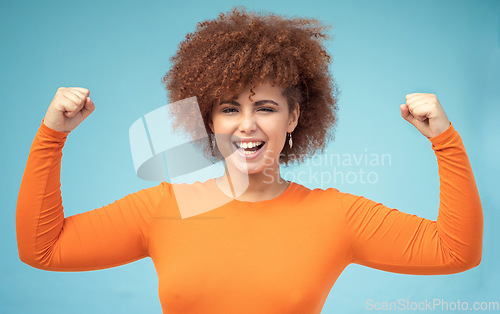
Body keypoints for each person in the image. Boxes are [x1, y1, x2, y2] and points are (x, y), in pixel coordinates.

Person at [16, 7, 483, 314]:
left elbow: (455, 252)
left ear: (294, 118)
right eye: (228, 109)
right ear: (208, 121)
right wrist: (52, 135)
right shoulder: (165, 207)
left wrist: (445, 141)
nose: (246, 126)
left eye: (265, 108)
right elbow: (44, 250)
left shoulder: (335, 216)